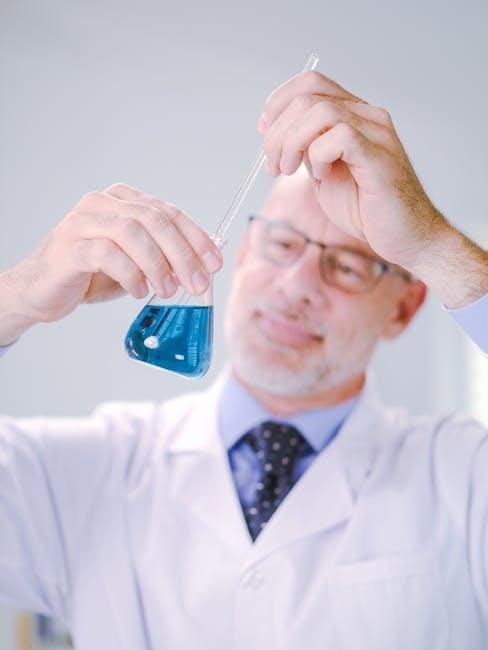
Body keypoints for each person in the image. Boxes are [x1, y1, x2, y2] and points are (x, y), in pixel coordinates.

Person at [0, 70, 487, 650]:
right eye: (282, 244)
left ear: (403, 308)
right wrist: (16, 296)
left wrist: (435, 246)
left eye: (347, 266)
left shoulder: (462, 477)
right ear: (243, 253)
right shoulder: (84, 475)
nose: (297, 285)